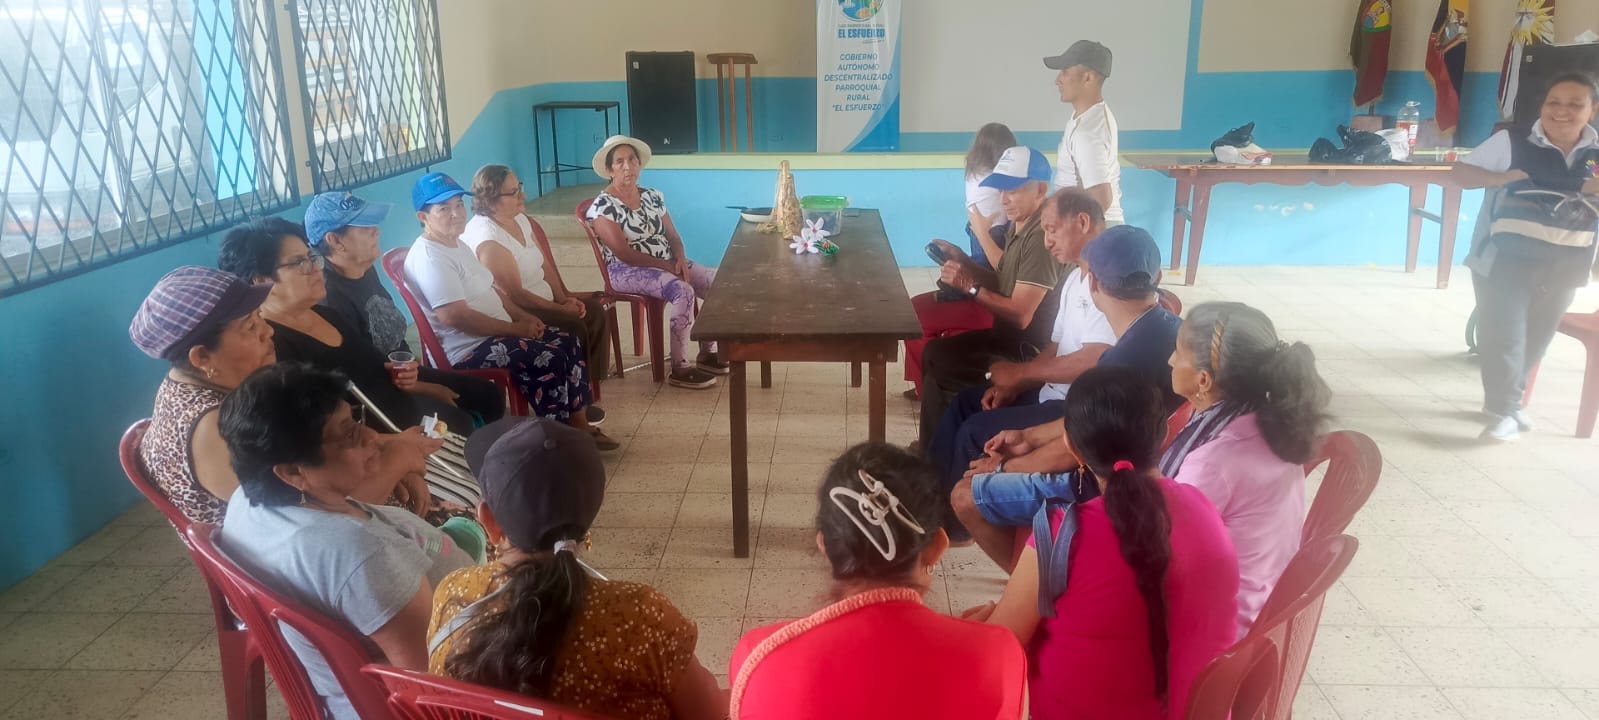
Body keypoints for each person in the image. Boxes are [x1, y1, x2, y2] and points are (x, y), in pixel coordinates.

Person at [961, 365, 1237, 720]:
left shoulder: (1063, 534)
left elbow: (1000, 646)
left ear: (1072, 448)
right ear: (1165, 434)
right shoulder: (1205, 510)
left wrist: (978, 626)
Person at [215, 363, 475, 720]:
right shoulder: (361, 556)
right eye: (350, 434)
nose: (371, 437)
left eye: (356, 420)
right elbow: (431, 685)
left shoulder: (246, 502)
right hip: (433, 683)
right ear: (292, 472)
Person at [428, 417, 727, 720]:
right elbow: (710, 712)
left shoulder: (453, 595)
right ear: (589, 516)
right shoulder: (640, 617)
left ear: (489, 522)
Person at [728, 443, 1027, 720]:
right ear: (937, 546)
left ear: (825, 545)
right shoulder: (998, 655)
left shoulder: (759, 656)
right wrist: (967, 641)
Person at [949, 226, 1184, 568]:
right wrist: (1028, 436)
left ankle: (1041, 586)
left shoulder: (1117, 367)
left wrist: (1003, 467)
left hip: (1104, 484)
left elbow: (1072, 452)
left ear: (1092, 283)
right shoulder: (1171, 329)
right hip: (1139, 468)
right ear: (1158, 279)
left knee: (965, 495)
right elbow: (1089, 423)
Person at [926, 191, 1113, 530]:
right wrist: (1019, 382)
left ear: (1083, 222)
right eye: (1044, 231)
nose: (1047, 240)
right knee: (967, 403)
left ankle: (952, 524)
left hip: (1072, 406)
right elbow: (1057, 346)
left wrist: (1020, 372)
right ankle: (928, 492)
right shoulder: (1075, 277)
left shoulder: (1107, 285)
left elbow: (1092, 360)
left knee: (974, 431)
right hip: (1048, 389)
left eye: (1052, 230)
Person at [403, 173, 619, 451]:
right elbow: (455, 317)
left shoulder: (456, 243)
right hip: (469, 348)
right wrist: (515, 329)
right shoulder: (431, 257)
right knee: (549, 357)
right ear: (423, 217)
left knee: (568, 341)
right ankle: (557, 440)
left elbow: (494, 290)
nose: (456, 214)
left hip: (496, 333)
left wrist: (521, 316)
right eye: (444, 209)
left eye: (458, 205)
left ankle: (578, 424)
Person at [217, 216, 476, 434]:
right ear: (261, 281)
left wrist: (418, 383)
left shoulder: (326, 314)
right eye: (299, 263)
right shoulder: (272, 348)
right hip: (386, 443)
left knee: (476, 405)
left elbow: (378, 369)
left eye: (311, 257)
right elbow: (325, 434)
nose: (316, 268)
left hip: (407, 413)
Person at [1166, 302, 1331, 637]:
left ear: (1203, 380)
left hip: (1220, 631)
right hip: (1261, 610)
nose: (1170, 360)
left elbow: (1160, 552)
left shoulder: (1214, 460)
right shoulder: (1270, 422)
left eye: (1179, 352)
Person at [1454, 72, 1599, 442]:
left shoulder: (1596, 153)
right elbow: (1460, 173)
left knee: (1537, 337)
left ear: (1593, 110)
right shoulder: (1512, 141)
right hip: (1502, 257)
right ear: (1543, 105)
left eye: (1575, 104)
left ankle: (1506, 403)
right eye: (1554, 102)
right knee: (1504, 334)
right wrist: (1500, 179)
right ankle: (1504, 411)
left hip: (1568, 261)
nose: (1561, 111)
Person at [303, 189, 508, 429]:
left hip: (405, 372)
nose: (376, 231)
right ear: (335, 241)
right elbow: (363, 378)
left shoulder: (363, 270)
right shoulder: (331, 299)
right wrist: (431, 389)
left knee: (488, 395)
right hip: (380, 390)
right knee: (458, 422)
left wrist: (416, 367)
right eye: (365, 227)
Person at [916, 146, 1066, 449]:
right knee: (935, 353)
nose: (1003, 199)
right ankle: (935, 446)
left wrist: (971, 288)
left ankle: (943, 447)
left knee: (943, 364)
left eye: (1014, 190)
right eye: (1001, 190)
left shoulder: (1041, 236)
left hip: (1026, 350)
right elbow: (1004, 282)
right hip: (1005, 338)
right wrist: (963, 260)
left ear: (1040, 189)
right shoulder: (1021, 226)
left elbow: (1021, 315)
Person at [130, 266, 277, 526]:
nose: (268, 331)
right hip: (255, 546)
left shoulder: (178, 382)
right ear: (201, 357)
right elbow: (283, 516)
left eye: (260, 316)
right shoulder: (217, 427)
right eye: (250, 326)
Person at [584, 135, 723, 390]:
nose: (628, 166)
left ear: (639, 164)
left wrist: (679, 259)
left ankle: (708, 352)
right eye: (620, 162)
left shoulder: (652, 196)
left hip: (666, 262)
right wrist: (668, 268)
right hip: (626, 270)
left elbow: (673, 236)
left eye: (632, 160)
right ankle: (680, 368)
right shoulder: (603, 206)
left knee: (716, 283)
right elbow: (624, 253)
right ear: (610, 170)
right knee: (682, 290)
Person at [460, 166, 613, 383]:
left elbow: (545, 265)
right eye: (514, 193)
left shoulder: (519, 219)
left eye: (519, 188)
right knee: (574, 325)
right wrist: (560, 309)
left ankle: (591, 382)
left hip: (543, 300)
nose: (523, 196)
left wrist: (563, 298)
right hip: (520, 310)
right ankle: (575, 387)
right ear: (491, 200)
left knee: (595, 311)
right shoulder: (488, 239)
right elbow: (514, 295)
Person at [901, 126, 1021, 399]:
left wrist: (981, 233)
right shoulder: (997, 220)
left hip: (993, 305)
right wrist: (958, 255)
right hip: (982, 292)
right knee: (915, 308)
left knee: (915, 319)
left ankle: (927, 390)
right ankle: (924, 384)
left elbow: (1003, 277)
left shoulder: (1007, 229)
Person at [1045, 40, 1124, 225]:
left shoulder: (1087, 133)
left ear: (1088, 78)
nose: (1057, 80)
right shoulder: (1088, 117)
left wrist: (1074, 235)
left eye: (1065, 72)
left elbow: (1101, 199)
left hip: (1095, 232)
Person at [965, 122, 1020, 268]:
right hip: (994, 231)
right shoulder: (995, 176)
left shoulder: (974, 171)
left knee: (980, 266)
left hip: (974, 226)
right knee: (992, 270)